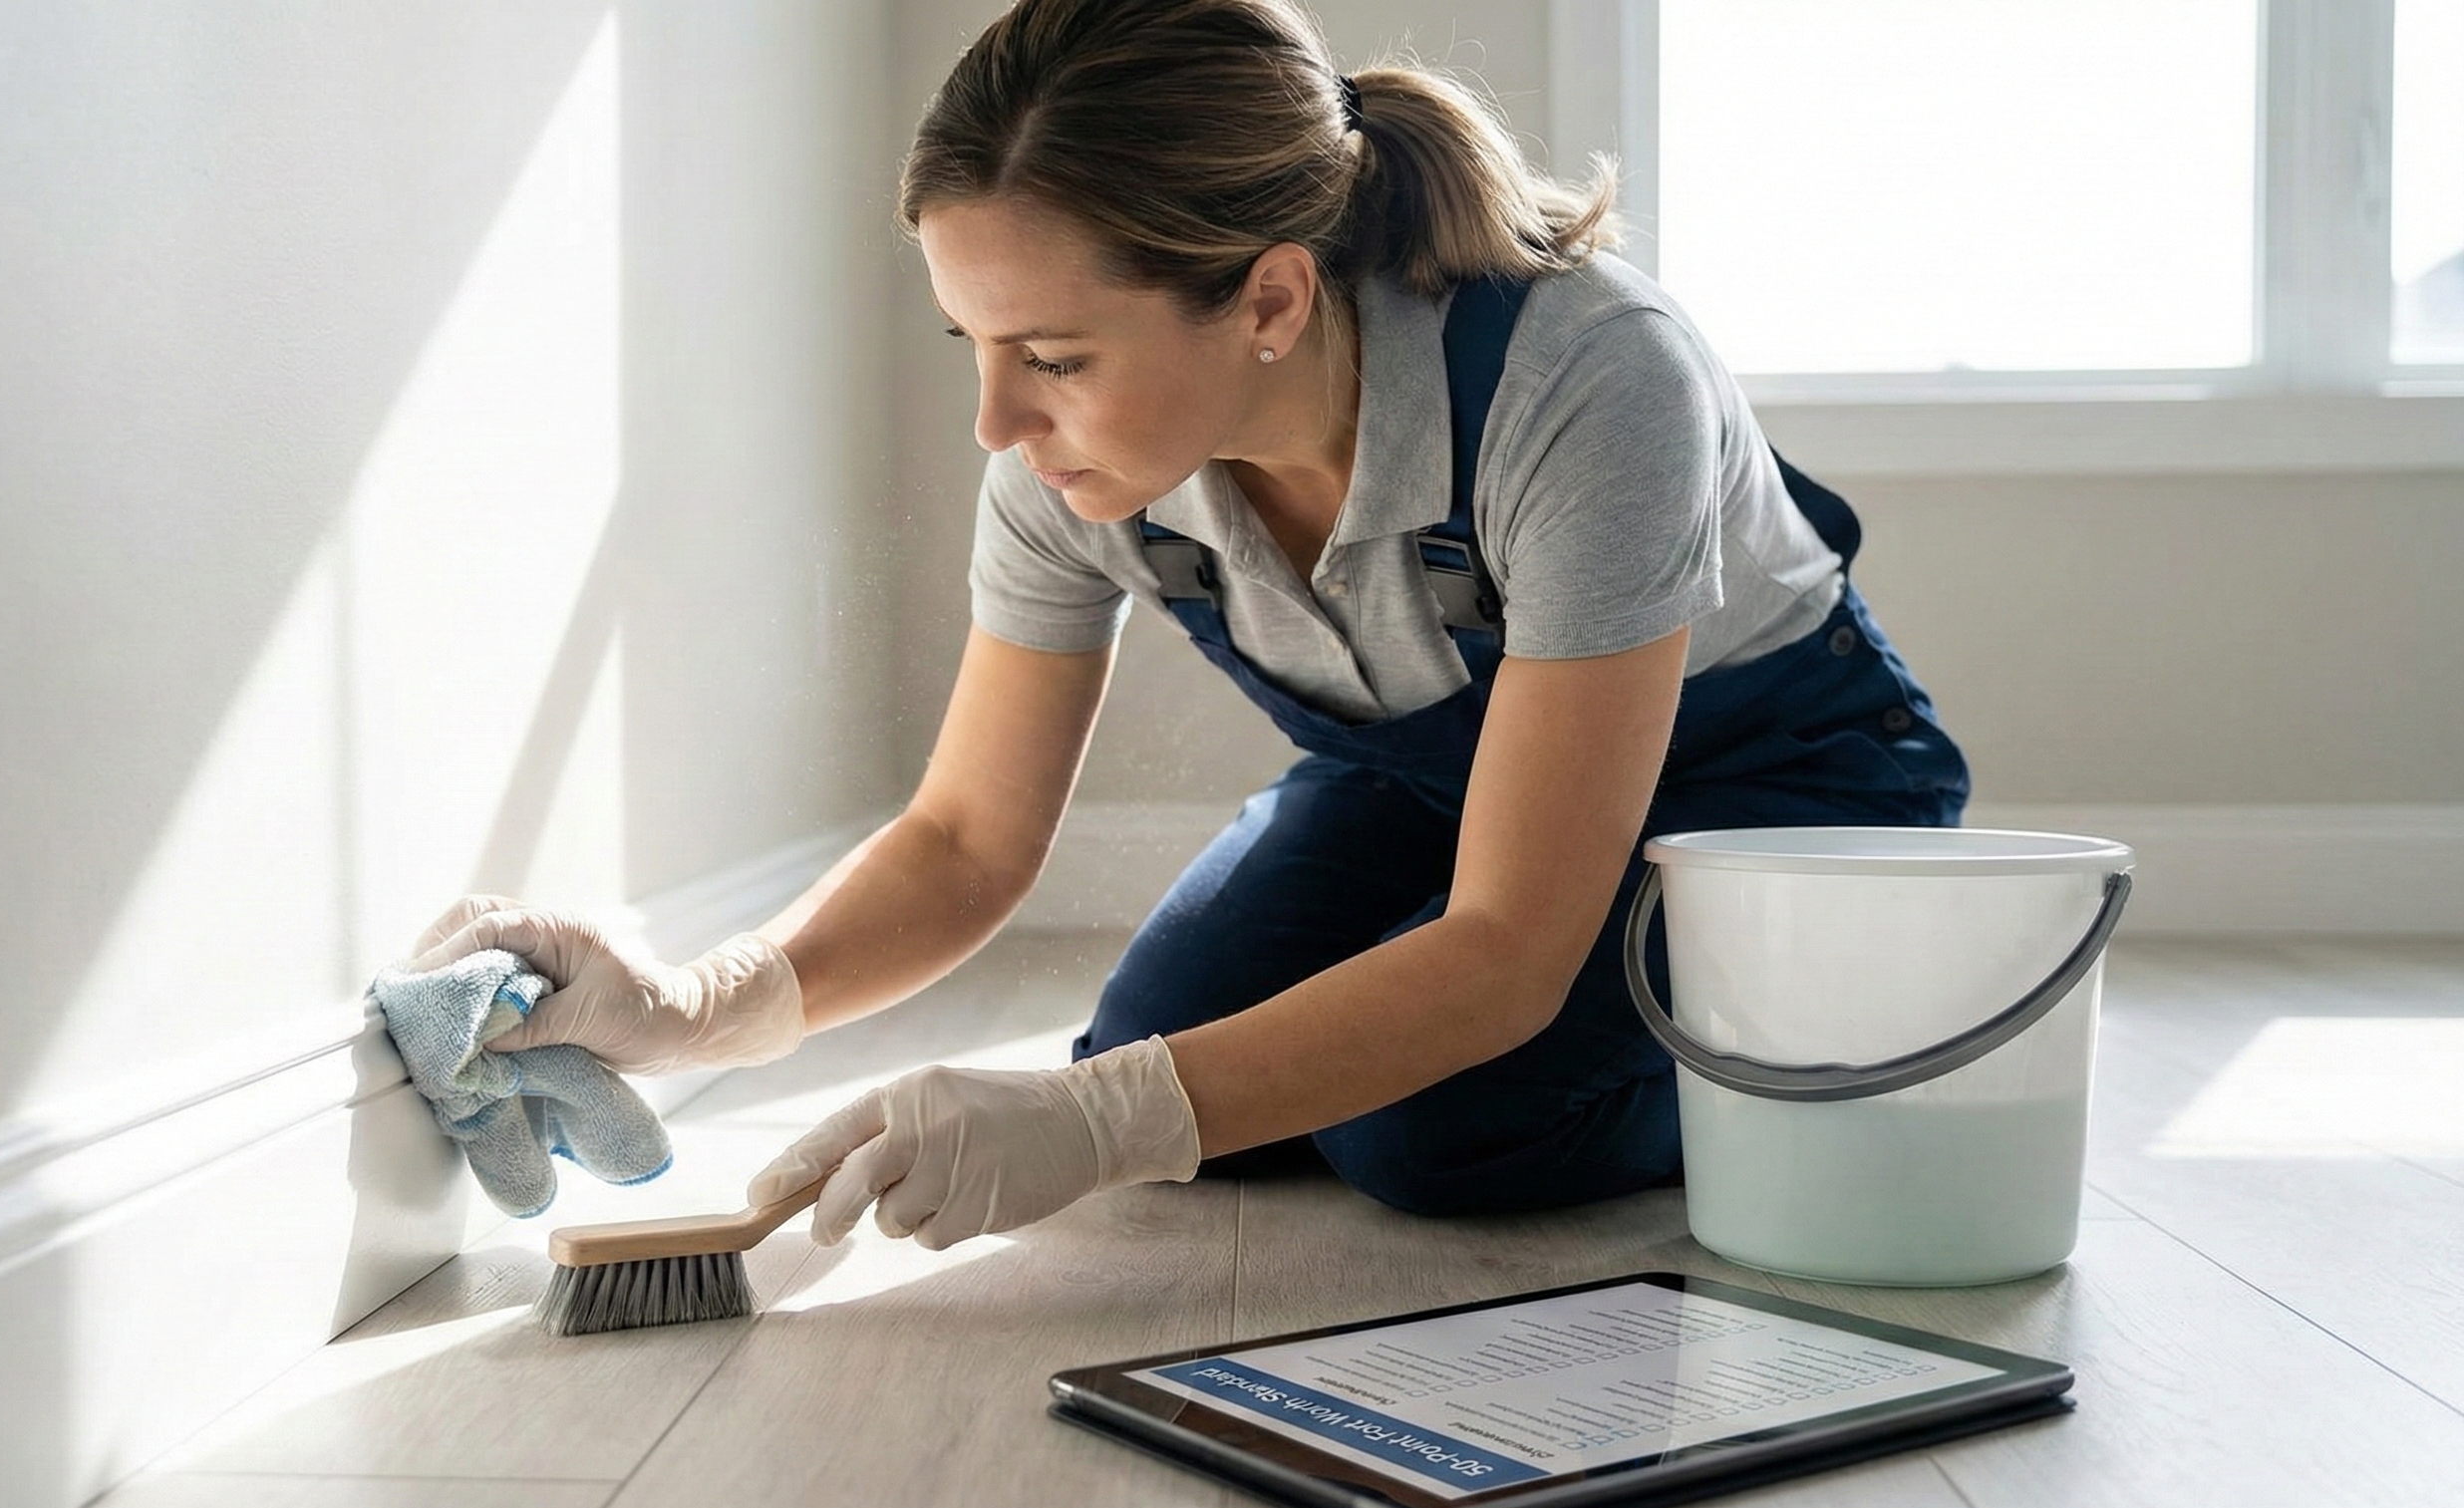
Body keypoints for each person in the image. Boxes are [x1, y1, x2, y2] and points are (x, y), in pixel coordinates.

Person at [407, 0, 1967, 1252]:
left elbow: (1502, 953)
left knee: (1435, 1128)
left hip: (1765, 792)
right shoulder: (1073, 460)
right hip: (1424, 784)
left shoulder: (1589, 380)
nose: (996, 417)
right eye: (972, 339)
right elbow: (964, 841)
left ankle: (1830, 1048)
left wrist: (1101, 1133)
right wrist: (694, 1010)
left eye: (1054, 353)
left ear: (1273, 302)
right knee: (1157, 1052)